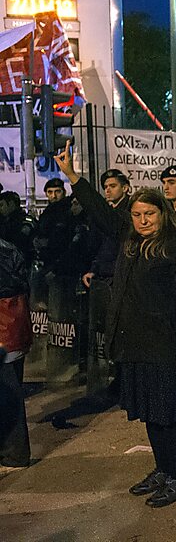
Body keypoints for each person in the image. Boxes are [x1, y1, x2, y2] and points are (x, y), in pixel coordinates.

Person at [56, 141, 176, 507]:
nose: (143, 220)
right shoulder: (129, 241)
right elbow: (101, 211)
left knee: (169, 413)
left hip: (164, 344)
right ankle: (162, 468)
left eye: (150, 214)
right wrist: (73, 177)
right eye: (137, 215)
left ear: (162, 214)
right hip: (134, 343)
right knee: (149, 411)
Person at [0, 237, 33, 468]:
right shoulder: (8, 247)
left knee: (7, 393)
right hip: (13, 329)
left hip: (4, 330)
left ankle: (15, 453)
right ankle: (13, 452)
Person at [81, 168, 132, 290]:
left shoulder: (131, 212)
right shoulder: (106, 213)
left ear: (125, 188)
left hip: (121, 274)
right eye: (105, 187)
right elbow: (102, 245)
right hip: (104, 273)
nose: (107, 190)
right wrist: (94, 269)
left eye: (113, 186)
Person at [34, 178, 72, 274]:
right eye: (50, 192)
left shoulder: (69, 210)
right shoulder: (48, 212)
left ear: (64, 192)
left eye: (57, 192)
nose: (54, 196)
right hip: (47, 258)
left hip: (63, 261)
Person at [0, 191, 36, 268]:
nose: (0, 209)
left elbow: (20, 240)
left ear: (11, 204)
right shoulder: (5, 221)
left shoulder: (26, 221)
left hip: (22, 263)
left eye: (1, 205)